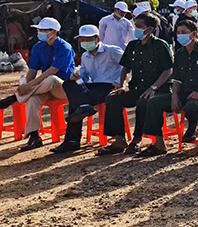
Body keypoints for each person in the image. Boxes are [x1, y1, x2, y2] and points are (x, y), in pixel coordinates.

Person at [141, 19, 198, 156]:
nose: (180, 36)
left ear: (194, 34)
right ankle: (158, 143)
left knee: (192, 106)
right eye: (178, 33)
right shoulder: (179, 54)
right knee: (154, 102)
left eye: (184, 33)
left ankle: (192, 129)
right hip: (184, 92)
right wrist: (174, 96)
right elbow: (177, 79)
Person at [98, 12, 174, 155]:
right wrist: (122, 85)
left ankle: (137, 140)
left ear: (150, 30)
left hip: (158, 89)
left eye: (139, 26)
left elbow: (168, 70)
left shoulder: (160, 45)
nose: (135, 29)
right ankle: (119, 139)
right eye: (135, 25)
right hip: (137, 87)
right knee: (113, 98)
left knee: (143, 101)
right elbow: (125, 68)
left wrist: (154, 87)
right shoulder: (133, 45)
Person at [0, 18, 74, 151]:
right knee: (32, 100)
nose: (40, 32)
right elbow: (32, 70)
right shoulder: (38, 47)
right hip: (44, 89)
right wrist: (25, 84)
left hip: (64, 88)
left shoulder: (65, 47)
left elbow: (53, 70)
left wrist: (28, 87)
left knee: (52, 78)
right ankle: (34, 137)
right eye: (39, 30)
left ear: (54, 32)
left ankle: (14, 98)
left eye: (44, 30)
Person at [50, 25, 125, 154]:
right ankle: (85, 108)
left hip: (110, 85)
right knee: (68, 84)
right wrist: (77, 75)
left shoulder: (112, 51)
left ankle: (72, 141)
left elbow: (128, 66)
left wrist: (120, 82)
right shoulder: (85, 56)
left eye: (88, 39)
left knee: (76, 103)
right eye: (83, 39)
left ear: (98, 39)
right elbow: (85, 75)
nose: (85, 42)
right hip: (92, 86)